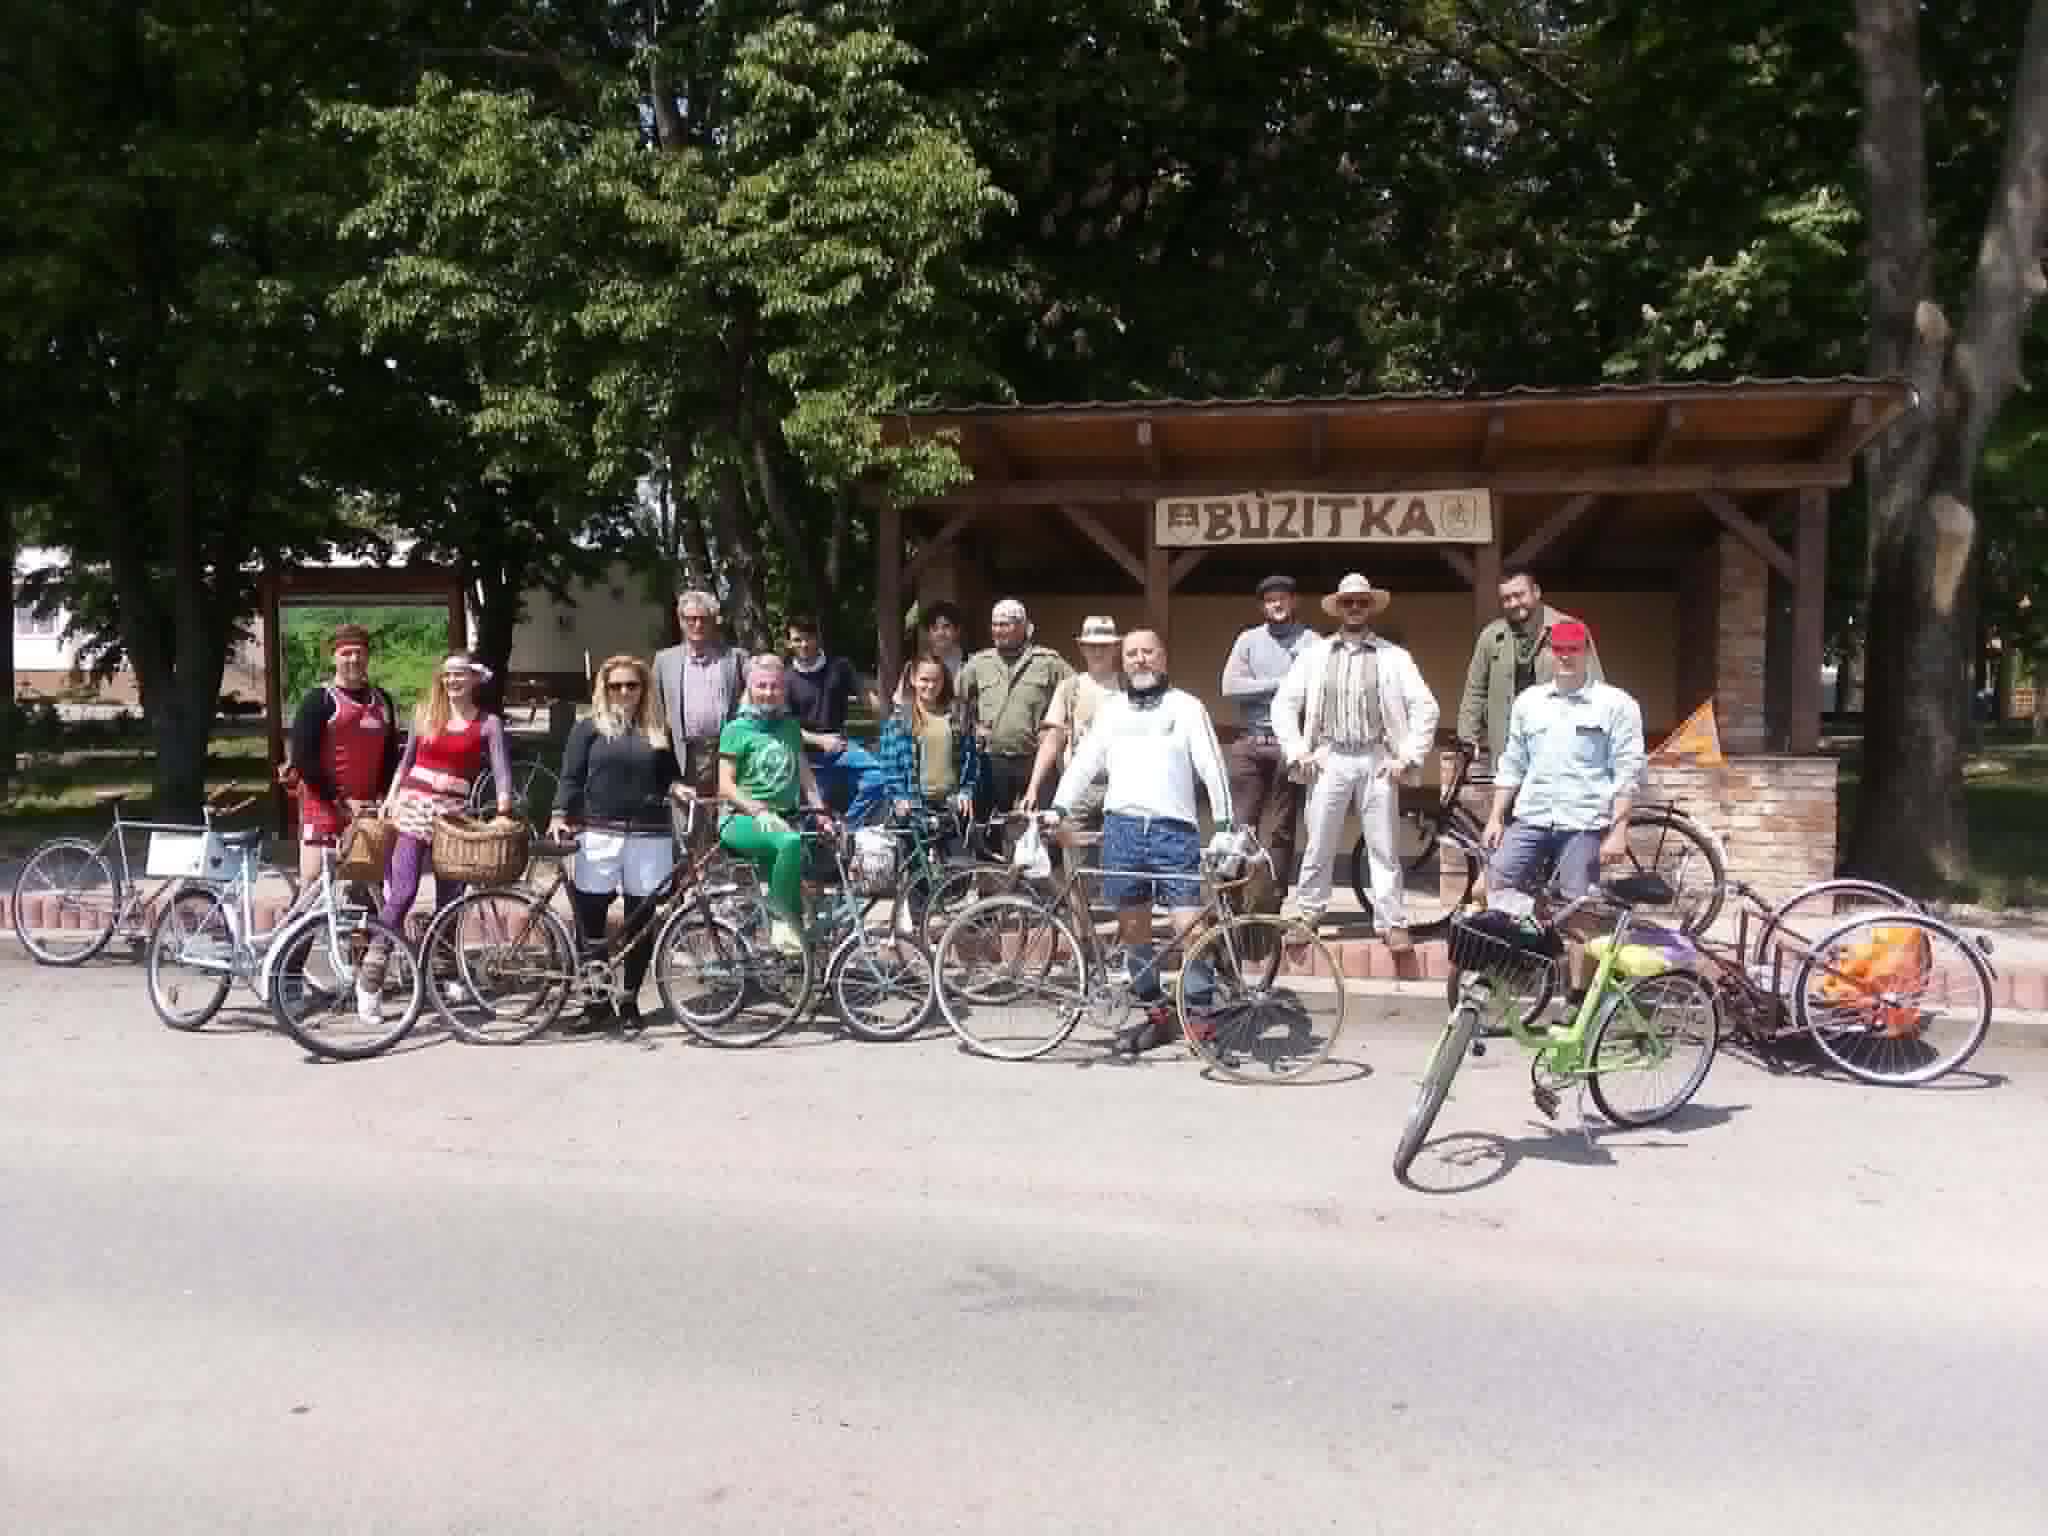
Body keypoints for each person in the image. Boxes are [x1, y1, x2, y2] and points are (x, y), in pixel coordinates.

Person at [1046, 629, 1235, 1057]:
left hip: (1174, 831)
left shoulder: (1187, 707)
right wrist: (1058, 808)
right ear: (1123, 660)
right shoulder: (1111, 711)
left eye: (1148, 652)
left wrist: (1224, 824)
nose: (1140, 659)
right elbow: (1083, 763)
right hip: (1123, 831)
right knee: (1135, 931)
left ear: (1163, 658)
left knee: (1191, 928)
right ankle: (1157, 1015)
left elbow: (1212, 767)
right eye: (1131, 653)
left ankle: (1200, 1019)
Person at [1271, 573, 1440, 950]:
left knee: (1383, 845)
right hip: (1329, 755)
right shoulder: (1315, 655)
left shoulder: (1393, 657)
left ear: (1370, 608)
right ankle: (1307, 914)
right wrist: (1298, 750)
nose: (1355, 608)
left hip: (1376, 755)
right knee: (1319, 841)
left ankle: (1392, 921)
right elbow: (1284, 704)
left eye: (1362, 602)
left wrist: (1408, 755)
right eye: (1348, 602)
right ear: (1338, 608)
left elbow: (1425, 707)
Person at [1482, 618, 1644, 1001]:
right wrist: (1495, 816)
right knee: (1493, 881)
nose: (1566, 657)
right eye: (1559, 650)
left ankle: (1578, 994)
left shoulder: (1616, 705)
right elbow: (1513, 763)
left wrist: (1619, 830)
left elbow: (1627, 772)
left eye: (1573, 649)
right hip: (1533, 817)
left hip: (1582, 823)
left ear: (1587, 652)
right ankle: (1529, 957)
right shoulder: (1529, 703)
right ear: (1549, 654)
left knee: (1579, 911)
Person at [356, 655, 515, 1027]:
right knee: (403, 891)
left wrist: (504, 809)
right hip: (414, 809)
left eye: (460, 674)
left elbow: (501, 769)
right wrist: (391, 799)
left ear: (474, 679)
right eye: (448, 675)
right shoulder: (426, 713)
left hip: (453, 816)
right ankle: (371, 976)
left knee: (451, 898)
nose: (453, 681)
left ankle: (444, 973)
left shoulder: (488, 723)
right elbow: (406, 761)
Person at [549, 654, 695, 1031]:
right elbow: (570, 776)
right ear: (605, 689)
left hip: (650, 833)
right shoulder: (588, 727)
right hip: (600, 831)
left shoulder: (657, 729)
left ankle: (629, 1001)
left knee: (640, 919)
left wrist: (678, 788)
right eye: (616, 686)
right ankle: (596, 1002)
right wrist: (559, 814)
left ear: (644, 689)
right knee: (591, 917)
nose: (625, 692)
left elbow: (669, 776)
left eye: (632, 685)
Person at [718, 654, 832, 956]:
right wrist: (758, 809)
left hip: (781, 820)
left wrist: (822, 813)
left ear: (784, 689)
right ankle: (782, 922)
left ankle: (789, 966)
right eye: (761, 686)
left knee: (794, 890)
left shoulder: (789, 727)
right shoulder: (736, 729)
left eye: (775, 686)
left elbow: (805, 774)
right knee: (790, 842)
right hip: (741, 819)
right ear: (749, 687)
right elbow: (725, 785)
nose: (769, 693)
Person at [1219, 575, 1316, 913]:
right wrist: (1282, 683)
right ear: (1262, 606)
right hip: (1249, 741)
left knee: (1281, 829)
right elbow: (1230, 686)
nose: (1277, 604)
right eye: (1270, 599)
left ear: (1294, 601)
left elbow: (1315, 689)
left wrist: (1261, 686)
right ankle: (1233, 900)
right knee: (1241, 826)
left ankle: (1271, 904)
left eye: (1283, 598)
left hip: (1288, 744)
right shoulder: (1248, 640)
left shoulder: (1311, 641)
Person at [284, 622, 402, 888]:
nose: (353, 659)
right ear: (333, 657)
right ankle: (303, 916)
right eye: (346, 653)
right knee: (314, 881)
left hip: (366, 807)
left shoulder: (382, 700)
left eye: (359, 652)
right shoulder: (319, 699)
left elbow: (390, 756)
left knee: (369, 886)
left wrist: (384, 797)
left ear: (368, 656)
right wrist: (339, 800)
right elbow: (303, 758)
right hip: (323, 803)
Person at [957, 599, 1072, 849]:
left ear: (1022, 626)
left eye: (1005, 624)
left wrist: (1060, 728)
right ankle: (993, 871)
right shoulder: (979, 663)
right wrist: (971, 727)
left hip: (1035, 760)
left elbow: (1075, 693)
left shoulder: (1048, 662)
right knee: (989, 831)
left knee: (1043, 829)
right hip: (992, 760)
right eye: (995, 624)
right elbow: (955, 699)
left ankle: (1044, 874)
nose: (998, 630)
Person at [1457, 567, 1602, 760]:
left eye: (1519, 595)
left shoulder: (1569, 629)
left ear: (1536, 592)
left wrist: (1593, 745)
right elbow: (1475, 691)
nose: (1513, 603)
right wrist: (1467, 738)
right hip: (1508, 748)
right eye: (1506, 598)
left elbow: (1594, 687)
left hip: (1561, 749)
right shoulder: (1491, 636)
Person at [652, 590, 747, 847]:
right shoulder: (664, 660)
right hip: (686, 754)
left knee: (726, 817)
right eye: (690, 619)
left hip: (726, 750)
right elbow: (655, 713)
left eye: (703, 619)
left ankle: (723, 867)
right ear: (680, 621)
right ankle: (690, 870)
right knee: (687, 823)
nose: (697, 625)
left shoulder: (735, 658)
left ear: (714, 620)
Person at [1019, 614, 1125, 843]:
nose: (1098, 652)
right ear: (1082, 648)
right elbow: (1053, 739)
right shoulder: (1069, 688)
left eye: (1105, 646)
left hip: (1121, 788)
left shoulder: (1129, 688)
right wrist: (1033, 786)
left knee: (1117, 858)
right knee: (1075, 860)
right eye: (1092, 646)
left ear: (1116, 648)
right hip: (1077, 790)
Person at [783, 614, 888, 827]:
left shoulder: (840, 666)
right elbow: (786, 727)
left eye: (808, 638)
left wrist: (892, 721)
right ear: (789, 643)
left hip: (842, 749)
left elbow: (867, 699)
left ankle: (847, 828)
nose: (804, 644)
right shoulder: (786, 679)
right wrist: (820, 740)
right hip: (807, 758)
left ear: (818, 638)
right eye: (797, 640)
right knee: (813, 819)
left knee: (880, 778)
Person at [876, 653, 983, 828]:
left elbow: (971, 761)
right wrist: (898, 798)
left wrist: (966, 792)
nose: (931, 686)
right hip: (914, 810)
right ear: (913, 679)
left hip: (952, 810)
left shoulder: (957, 718)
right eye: (924, 680)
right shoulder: (900, 719)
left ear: (944, 681)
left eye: (936, 680)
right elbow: (889, 766)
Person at [893, 600, 967, 705]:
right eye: (935, 628)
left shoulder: (969, 663)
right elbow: (901, 704)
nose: (940, 633)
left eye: (946, 627)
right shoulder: (913, 666)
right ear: (928, 633)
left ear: (957, 630)